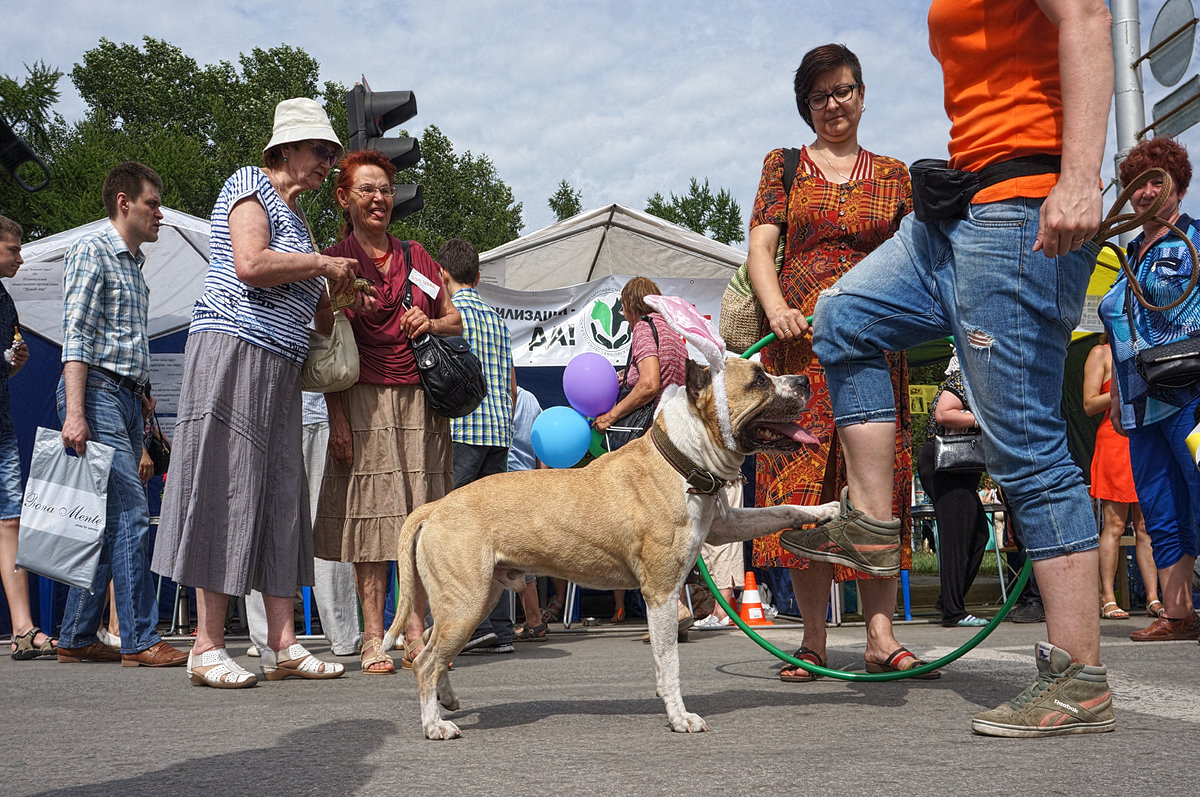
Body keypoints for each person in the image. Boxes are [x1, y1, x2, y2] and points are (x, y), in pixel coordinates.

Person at [781, 0, 1115, 736]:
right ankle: (869, 522)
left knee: (1024, 445)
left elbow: (1088, 15)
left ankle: (1079, 680)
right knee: (843, 316)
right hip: (955, 211)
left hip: (1019, 204)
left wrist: (1081, 177)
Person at [153, 99, 359, 687]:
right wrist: (322, 262)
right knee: (225, 483)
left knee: (280, 493)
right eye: (321, 151)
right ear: (286, 149)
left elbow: (314, 316)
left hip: (279, 366)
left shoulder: (303, 222)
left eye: (331, 153)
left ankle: (283, 643)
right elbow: (248, 263)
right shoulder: (249, 182)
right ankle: (206, 644)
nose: (328, 163)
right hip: (233, 351)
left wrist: (341, 293)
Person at [743, 43, 931, 682]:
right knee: (803, 495)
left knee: (875, 493)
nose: (833, 104)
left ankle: (881, 636)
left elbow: (916, 260)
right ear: (806, 107)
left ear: (862, 93)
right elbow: (761, 246)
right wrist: (775, 310)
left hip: (874, 352)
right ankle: (814, 640)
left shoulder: (896, 176)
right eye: (819, 96)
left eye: (843, 90)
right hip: (799, 351)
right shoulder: (785, 167)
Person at [314, 149, 460, 675]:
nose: (379, 199)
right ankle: (373, 638)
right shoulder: (333, 262)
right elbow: (324, 348)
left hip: (420, 400)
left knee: (420, 518)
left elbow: (455, 322)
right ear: (344, 197)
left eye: (385, 190)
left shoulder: (418, 256)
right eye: (367, 190)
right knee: (372, 524)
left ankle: (416, 633)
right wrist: (337, 418)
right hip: (361, 397)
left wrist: (429, 320)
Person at [54, 163, 187, 669]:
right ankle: (138, 639)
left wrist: (145, 397)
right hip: (99, 394)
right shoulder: (91, 250)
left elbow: (125, 342)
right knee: (130, 514)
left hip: (128, 397)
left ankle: (75, 636)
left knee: (109, 519)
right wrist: (76, 411)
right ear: (124, 202)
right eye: (153, 203)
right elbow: (77, 334)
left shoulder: (133, 265)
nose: (160, 213)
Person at [1097, 136, 1200, 643]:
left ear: (1179, 186)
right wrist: (1117, 394)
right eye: (1137, 183)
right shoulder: (1128, 252)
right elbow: (1121, 331)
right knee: (1160, 507)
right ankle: (1180, 614)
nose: (1145, 191)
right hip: (1141, 402)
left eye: (1157, 180)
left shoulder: (1196, 240)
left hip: (1192, 396)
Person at [594, 277, 691, 633]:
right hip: (677, 434)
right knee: (671, 522)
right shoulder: (671, 330)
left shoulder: (643, 328)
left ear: (633, 305)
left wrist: (612, 413)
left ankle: (674, 605)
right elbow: (664, 378)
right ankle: (681, 601)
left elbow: (650, 383)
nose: (621, 313)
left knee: (646, 525)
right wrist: (627, 375)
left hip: (650, 438)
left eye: (623, 306)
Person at [440, 237, 517, 654]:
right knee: (499, 537)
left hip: (462, 431)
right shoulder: (497, 320)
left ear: (443, 275)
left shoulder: (450, 315)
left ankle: (473, 623)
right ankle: (501, 630)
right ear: (479, 277)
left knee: (461, 535)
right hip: (498, 433)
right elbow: (511, 385)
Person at [245, 392, 361, 658]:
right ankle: (266, 637)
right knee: (266, 525)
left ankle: (342, 635)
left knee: (328, 528)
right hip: (269, 417)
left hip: (315, 413)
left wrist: (338, 418)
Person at [0, 215, 56, 660]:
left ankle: (23, 629)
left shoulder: (5, 300)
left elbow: (7, 367)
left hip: (2, 428)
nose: (21, 257)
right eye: (13, 249)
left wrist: (14, 363)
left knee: (10, 521)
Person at [1082, 335, 1161, 620]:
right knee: (1114, 524)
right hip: (1114, 440)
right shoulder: (1100, 353)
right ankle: (1107, 596)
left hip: (1144, 438)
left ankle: (1153, 597)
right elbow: (1089, 404)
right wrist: (1125, 388)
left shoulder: (1147, 348)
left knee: (1145, 526)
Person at [916, 356, 991, 628]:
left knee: (978, 534)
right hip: (946, 465)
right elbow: (944, 413)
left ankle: (950, 599)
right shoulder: (965, 377)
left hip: (956, 468)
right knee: (957, 538)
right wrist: (983, 419)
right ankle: (953, 611)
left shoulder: (974, 379)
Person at [508, 385, 551, 642]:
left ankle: (534, 620)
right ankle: (533, 620)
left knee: (517, 557)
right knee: (522, 554)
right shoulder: (531, 398)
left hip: (507, 481)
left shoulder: (495, 395)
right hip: (529, 481)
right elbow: (541, 446)